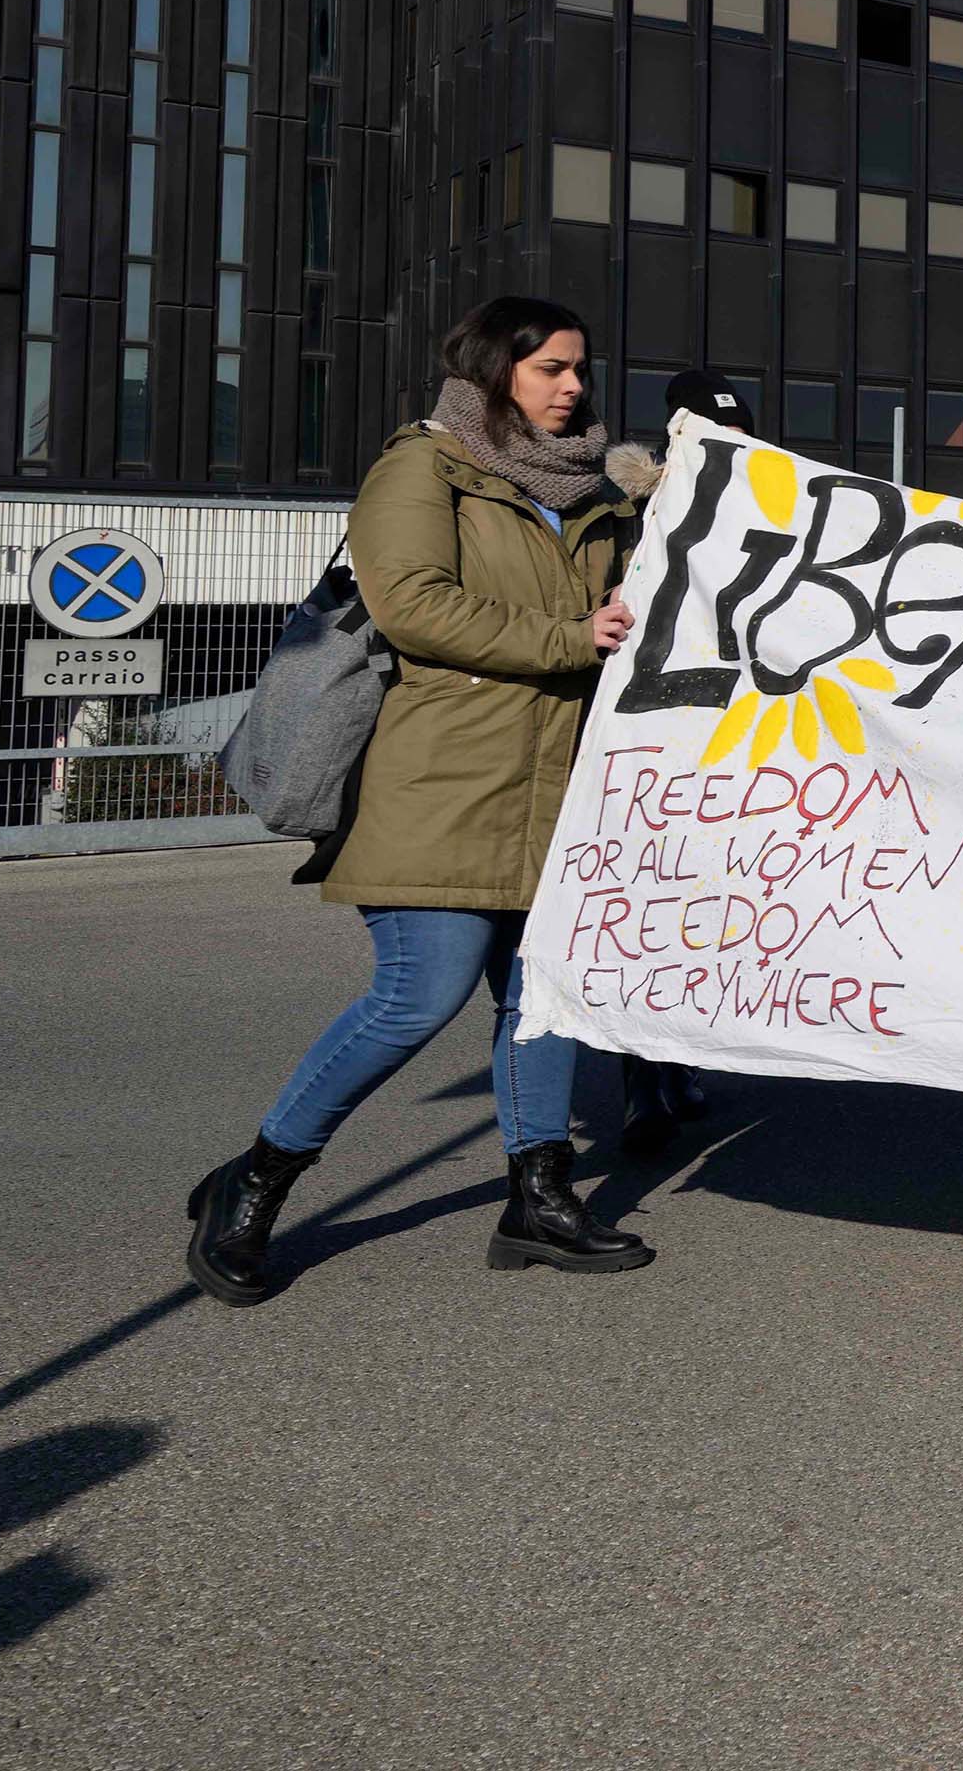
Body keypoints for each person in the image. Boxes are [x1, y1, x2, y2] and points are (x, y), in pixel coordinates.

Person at [181, 297, 658, 1305]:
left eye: (580, 370)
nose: (575, 387)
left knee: (543, 1005)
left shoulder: (602, 494)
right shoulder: (423, 466)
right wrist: (572, 638)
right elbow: (415, 604)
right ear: (496, 373)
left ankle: (539, 1199)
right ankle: (255, 1183)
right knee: (419, 996)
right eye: (551, 371)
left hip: (561, 785)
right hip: (439, 777)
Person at [611, 368, 750, 1159]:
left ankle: (682, 1062)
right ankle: (639, 1084)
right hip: (642, 740)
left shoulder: (764, 506)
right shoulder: (631, 510)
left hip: (720, 742)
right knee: (641, 916)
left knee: (701, 920)